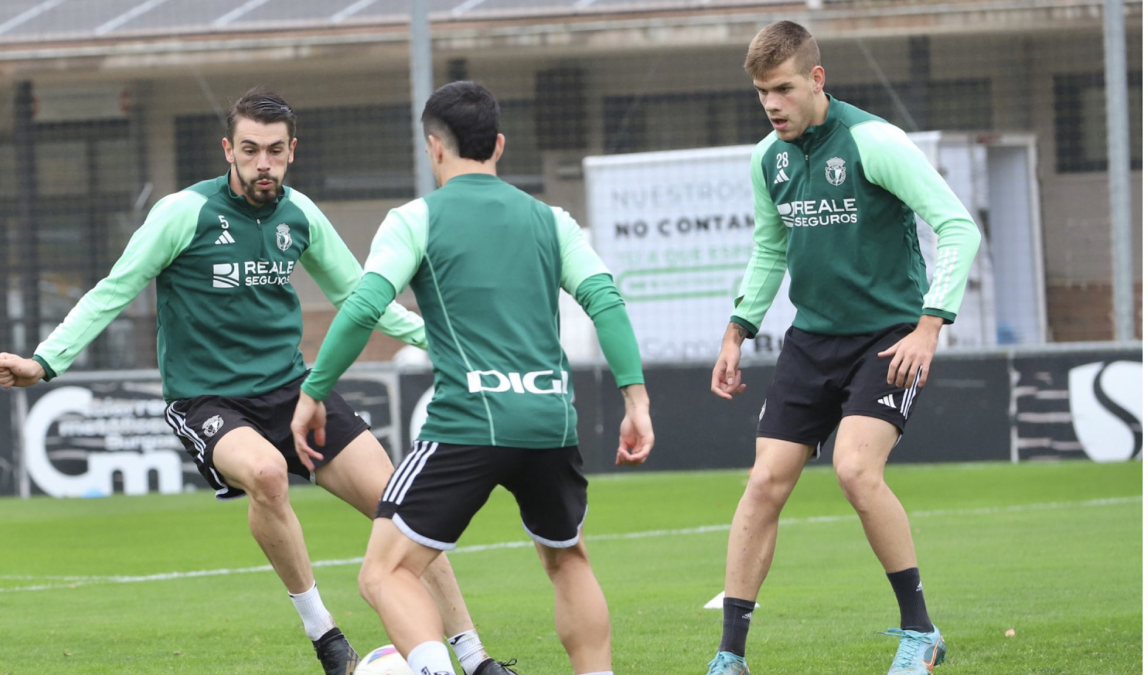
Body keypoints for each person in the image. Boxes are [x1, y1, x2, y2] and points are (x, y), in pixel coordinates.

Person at [0, 87, 515, 675]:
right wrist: (45, 360)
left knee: (405, 507)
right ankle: (329, 641)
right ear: (228, 150)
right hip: (206, 398)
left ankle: (474, 657)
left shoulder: (301, 215)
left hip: (292, 391)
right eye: (250, 150)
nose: (263, 163)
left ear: (293, 150)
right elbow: (116, 288)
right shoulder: (182, 213)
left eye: (275, 150)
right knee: (266, 474)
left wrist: (439, 342)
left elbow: (363, 297)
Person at [291, 81, 655, 675]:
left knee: (384, 571)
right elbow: (605, 300)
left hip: (469, 423)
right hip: (548, 421)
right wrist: (635, 399)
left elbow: (362, 308)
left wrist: (312, 392)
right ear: (500, 145)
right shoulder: (550, 219)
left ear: (434, 148)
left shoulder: (415, 220)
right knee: (568, 561)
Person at [704, 21, 981, 675]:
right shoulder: (765, 159)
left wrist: (929, 325)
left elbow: (957, 226)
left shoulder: (874, 142)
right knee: (764, 481)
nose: (772, 105)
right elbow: (771, 248)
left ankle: (920, 633)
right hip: (811, 340)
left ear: (816, 80)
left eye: (783, 89)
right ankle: (729, 655)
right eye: (761, 93)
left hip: (888, 338)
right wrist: (737, 330)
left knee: (857, 469)